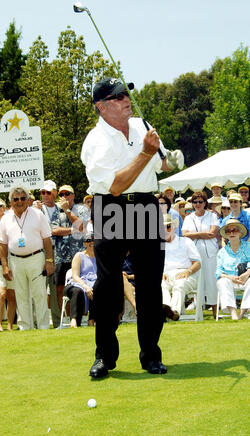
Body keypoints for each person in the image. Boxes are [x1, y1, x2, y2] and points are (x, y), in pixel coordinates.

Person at [81, 76, 184, 378]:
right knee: (109, 284)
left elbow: (160, 163)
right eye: (117, 97)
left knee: (151, 283)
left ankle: (151, 355)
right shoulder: (95, 141)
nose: (126, 99)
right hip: (112, 206)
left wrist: (170, 160)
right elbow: (115, 185)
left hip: (145, 203)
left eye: (126, 94)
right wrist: (146, 153)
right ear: (101, 106)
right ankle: (105, 357)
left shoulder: (141, 124)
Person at [0, 186, 54, 330]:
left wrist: (49, 261)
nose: (19, 202)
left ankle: (43, 326)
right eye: (16, 199)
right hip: (15, 260)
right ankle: (25, 327)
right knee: (21, 295)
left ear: (28, 199)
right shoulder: (5, 219)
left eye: (23, 198)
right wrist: (5, 265)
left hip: (36, 258)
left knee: (40, 294)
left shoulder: (37, 214)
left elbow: (47, 240)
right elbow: (3, 245)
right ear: (10, 201)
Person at [51, 184, 90, 311]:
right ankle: (67, 318)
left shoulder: (82, 209)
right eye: (61, 194)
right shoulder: (56, 210)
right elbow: (54, 230)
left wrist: (68, 211)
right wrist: (73, 230)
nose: (64, 196)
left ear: (73, 195)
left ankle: (81, 317)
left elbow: (82, 227)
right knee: (60, 288)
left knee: (80, 286)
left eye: (67, 194)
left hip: (79, 255)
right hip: (61, 256)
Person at [182, 191, 219, 318]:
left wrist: (195, 235)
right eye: (195, 202)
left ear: (205, 203)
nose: (197, 204)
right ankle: (199, 310)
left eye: (200, 202)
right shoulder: (188, 217)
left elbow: (213, 233)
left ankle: (215, 310)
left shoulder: (212, 216)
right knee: (198, 281)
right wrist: (202, 234)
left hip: (210, 253)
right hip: (194, 254)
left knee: (211, 280)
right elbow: (185, 234)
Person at [161, 214, 201, 320]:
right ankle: (165, 311)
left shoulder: (186, 241)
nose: (166, 230)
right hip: (166, 275)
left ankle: (174, 312)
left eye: (168, 226)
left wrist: (188, 271)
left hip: (186, 273)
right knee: (161, 284)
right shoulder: (158, 245)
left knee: (180, 284)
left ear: (174, 227)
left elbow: (197, 263)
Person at [33, 180, 61, 328]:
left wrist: (60, 231)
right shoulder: (35, 210)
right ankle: (37, 322)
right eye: (42, 192)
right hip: (40, 252)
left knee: (55, 289)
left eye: (48, 192)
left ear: (55, 193)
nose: (45, 195)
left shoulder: (61, 208)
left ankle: (57, 323)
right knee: (39, 288)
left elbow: (75, 229)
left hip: (59, 253)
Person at [216, 219, 250, 320]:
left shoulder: (248, 247)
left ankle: (242, 312)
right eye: (228, 231)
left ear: (240, 232)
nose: (231, 233)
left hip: (246, 278)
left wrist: (247, 274)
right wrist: (230, 277)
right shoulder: (222, 252)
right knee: (222, 282)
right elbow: (218, 271)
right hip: (229, 279)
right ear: (226, 234)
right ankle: (233, 313)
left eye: (234, 230)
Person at [63, 232, 97, 327]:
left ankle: (92, 320)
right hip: (77, 284)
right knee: (78, 291)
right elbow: (75, 277)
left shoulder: (100, 256)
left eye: (94, 240)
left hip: (93, 283)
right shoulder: (79, 256)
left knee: (97, 288)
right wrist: (85, 287)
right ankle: (74, 320)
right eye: (88, 240)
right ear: (84, 243)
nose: (92, 242)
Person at [0, 199, 16, 331]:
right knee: (1, 294)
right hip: (0, 264)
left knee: (12, 295)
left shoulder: (10, 222)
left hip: (13, 261)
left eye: (0, 206)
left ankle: (10, 325)